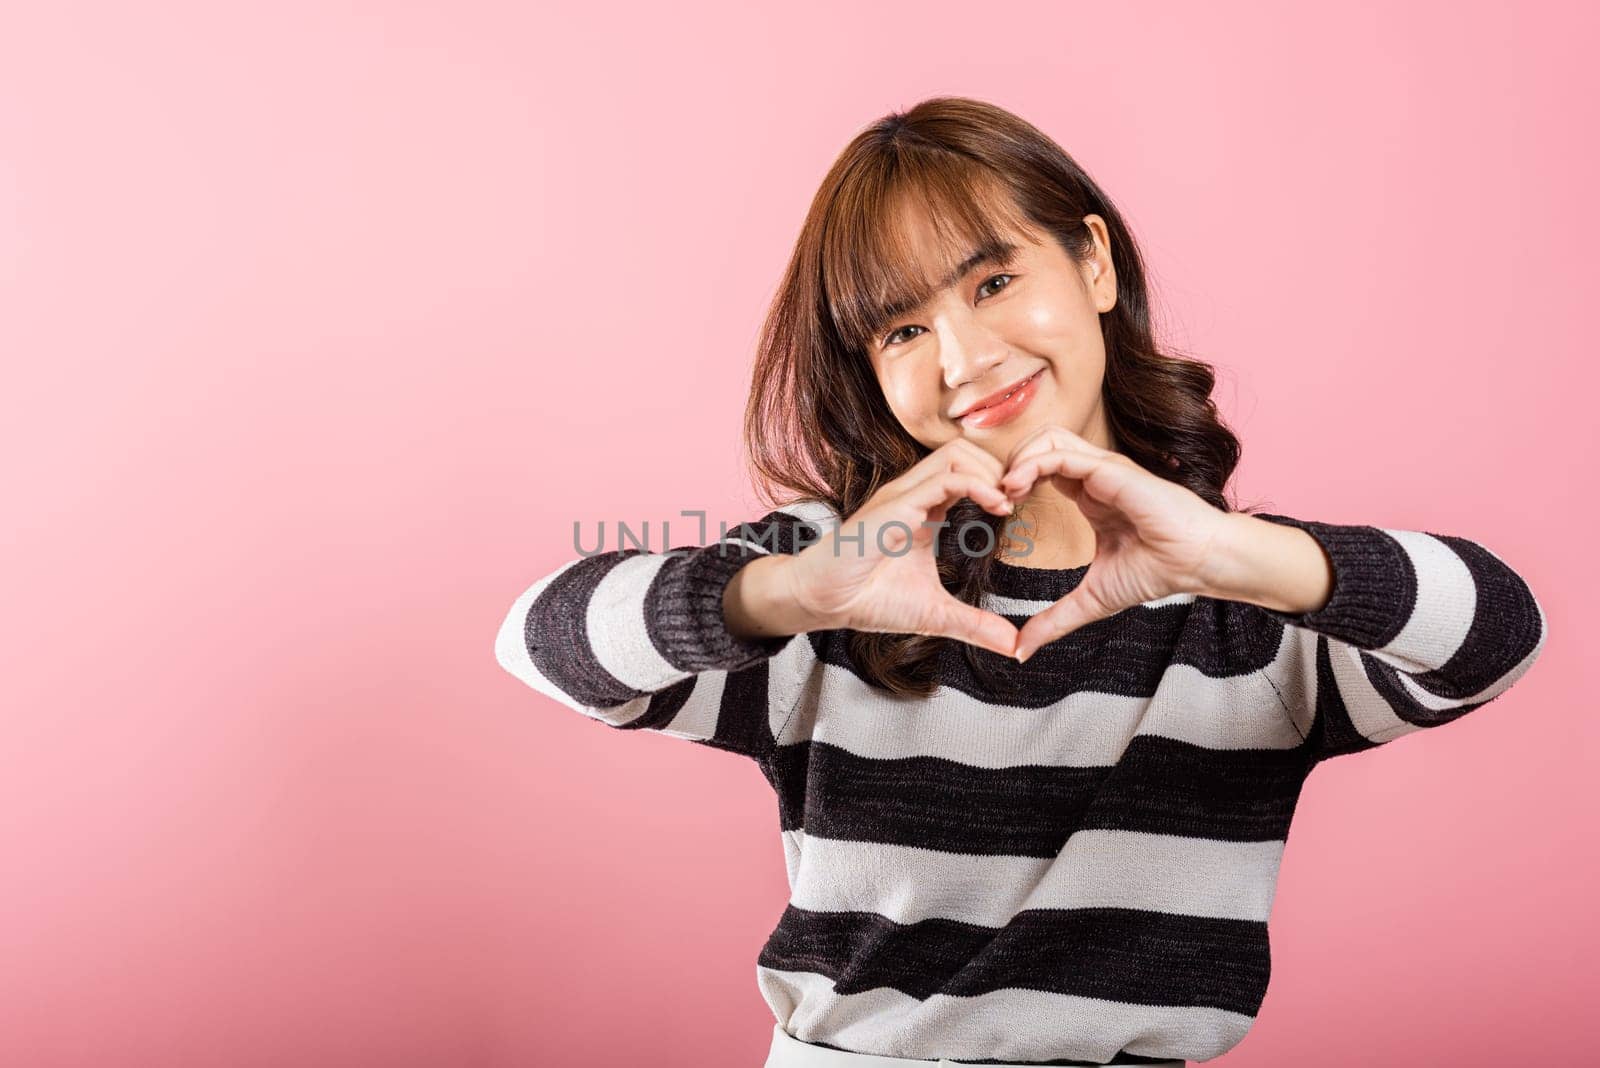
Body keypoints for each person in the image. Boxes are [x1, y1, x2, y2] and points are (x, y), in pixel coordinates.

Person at [493, 97, 1548, 1067]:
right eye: (902, 330)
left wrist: (1229, 554)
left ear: (1092, 262)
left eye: (993, 283)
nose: (962, 357)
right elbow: (541, 644)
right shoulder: (837, 571)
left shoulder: (1252, 606)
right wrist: (795, 593)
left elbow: (1496, 632)